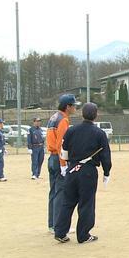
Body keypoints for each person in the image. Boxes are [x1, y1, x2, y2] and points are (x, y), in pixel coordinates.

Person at [54, 102, 111, 243]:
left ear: (82, 114)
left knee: (67, 202)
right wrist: (106, 172)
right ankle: (83, 234)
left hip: (72, 169)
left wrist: (67, 165)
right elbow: (105, 155)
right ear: (96, 115)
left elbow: (64, 153)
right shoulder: (99, 133)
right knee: (86, 203)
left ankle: (60, 232)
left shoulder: (71, 131)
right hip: (88, 171)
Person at [46, 94, 80, 234]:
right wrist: (63, 164)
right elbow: (61, 143)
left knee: (53, 192)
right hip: (59, 158)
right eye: (74, 105)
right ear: (68, 106)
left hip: (52, 157)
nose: (75, 108)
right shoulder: (63, 120)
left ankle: (52, 223)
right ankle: (58, 226)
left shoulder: (53, 117)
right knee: (61, 193)